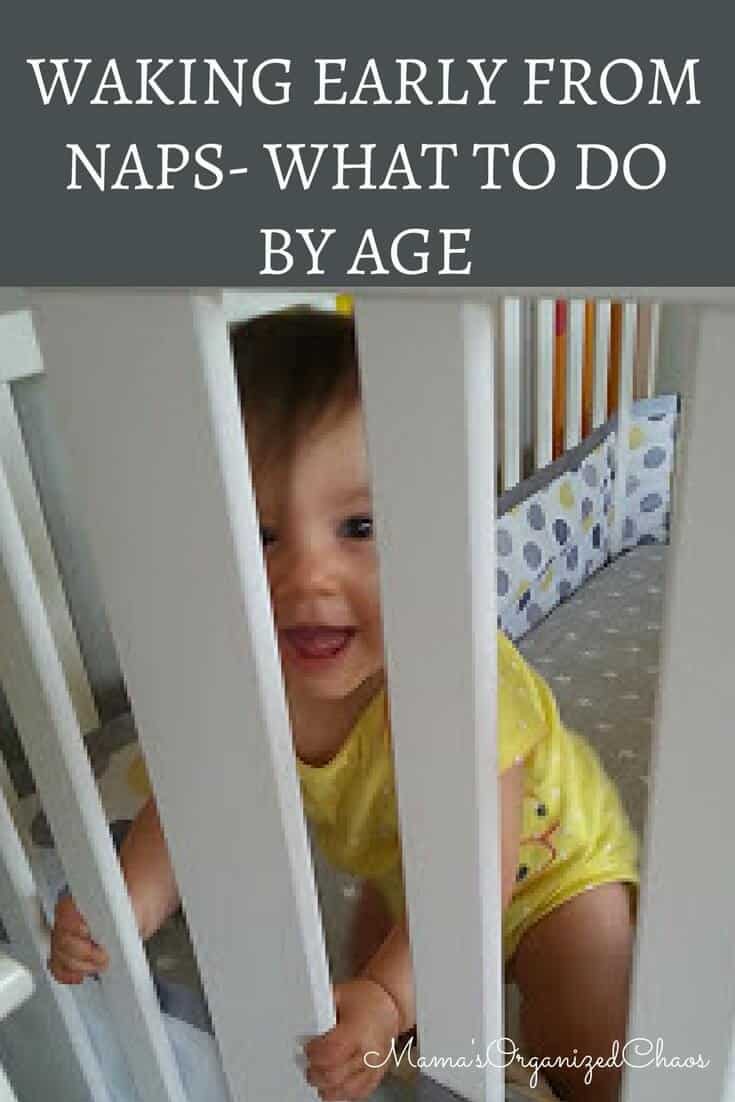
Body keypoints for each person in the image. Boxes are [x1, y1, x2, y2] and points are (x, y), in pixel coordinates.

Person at [49, 307, 639, 1102]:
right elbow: (192, 811)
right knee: (372, 1026)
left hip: (551, 876)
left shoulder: (454, 681)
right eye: (259, 535)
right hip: (408, 874)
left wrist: (393, 996)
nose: (307, 578)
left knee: (585, 1053)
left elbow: (475, 872)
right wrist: (124, 912)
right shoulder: (239, 681)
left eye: (357, 525)